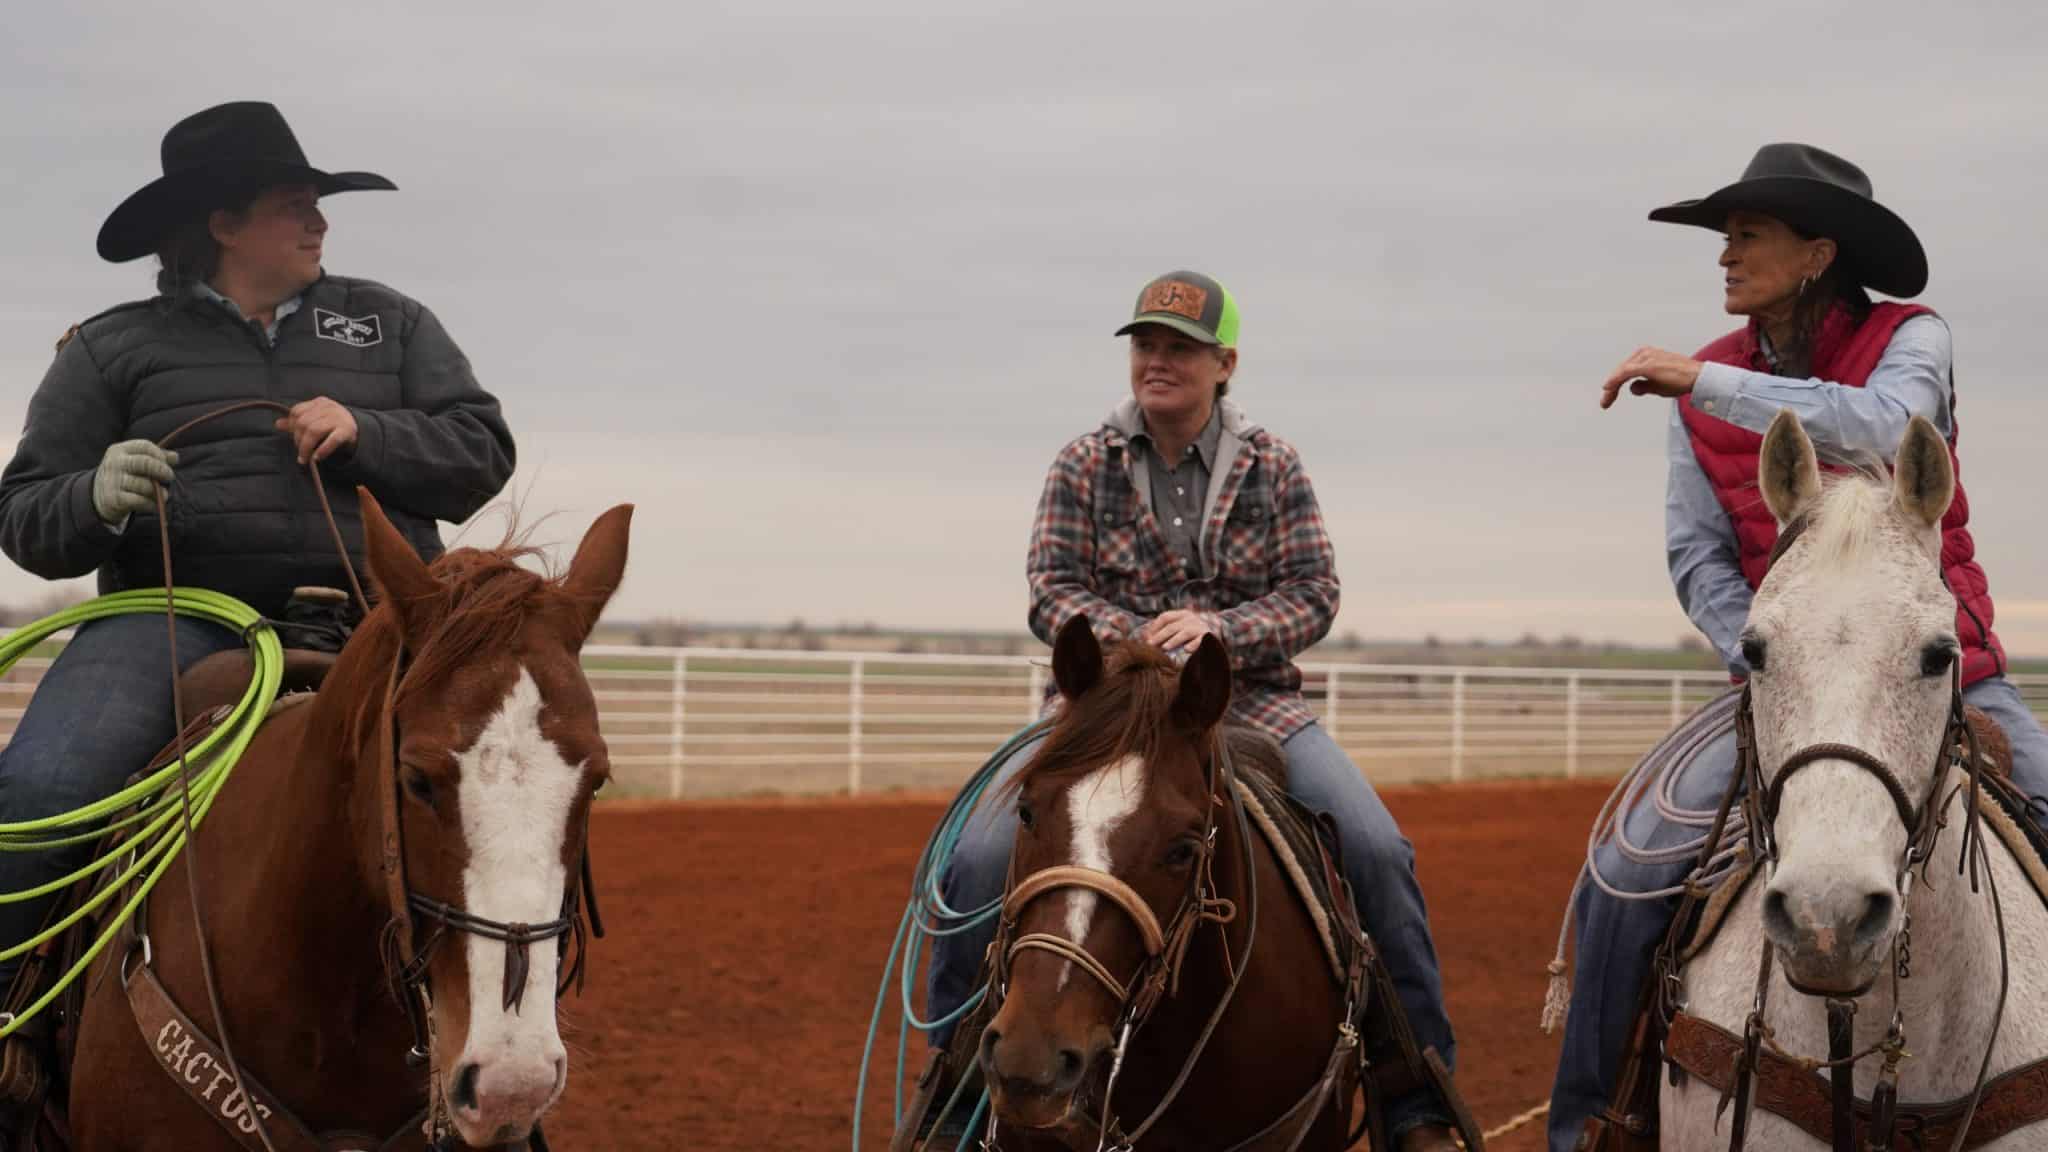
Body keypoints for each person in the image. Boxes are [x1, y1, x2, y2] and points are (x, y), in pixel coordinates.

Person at [0, 100, 516, 1130]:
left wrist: (367, 428)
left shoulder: (392, 324)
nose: (319, 223)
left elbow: (481, 451)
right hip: (172, 617)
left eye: (317, 204)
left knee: (511, 799)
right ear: (223, 223)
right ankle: (17, 1024)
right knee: (40, 788)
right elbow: (25, 516)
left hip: (380, 625)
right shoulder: (109, 352)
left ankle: (505, 1050)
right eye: (294, 205)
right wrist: (94, 497)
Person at [1548, 142, 2048, 1152]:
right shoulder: (1702, 389)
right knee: (1621, 872)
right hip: (1778, 683)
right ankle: (1587, 1127)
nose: (1723, 257)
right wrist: (1775, 662)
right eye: (1722, 238)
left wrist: (1702, 382)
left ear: (1816, 252)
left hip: (1941, 679)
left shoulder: (1913, 342)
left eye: (1745, 235)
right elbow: (1695, 557)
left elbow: (1886, 425)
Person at [918, 270, 1465, 1151]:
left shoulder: (1273, 464)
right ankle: (953, 1090)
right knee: (978, 857)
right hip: (1101, 712)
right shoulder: (1081, 461)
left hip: (1252, 705)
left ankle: (1413, 1092)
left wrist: (1219, 631)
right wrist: (1138, 645)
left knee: (1375, 848)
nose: (1158, 362)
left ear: (1225, 364)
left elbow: (1314, 592)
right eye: (1146, 345)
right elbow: (1050, 591)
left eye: (1180, 347)